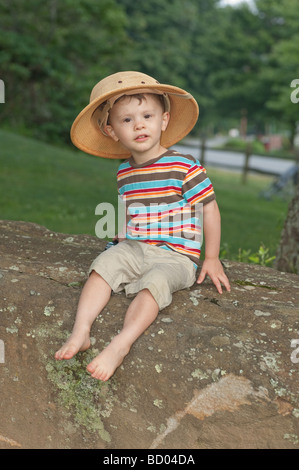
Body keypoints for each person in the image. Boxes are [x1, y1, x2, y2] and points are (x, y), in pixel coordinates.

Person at [55, 71, 231, 381]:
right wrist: (118, 241)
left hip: (177, 255)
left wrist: (212, 258)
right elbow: (127, 211)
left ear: (163, 120)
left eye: (147, 115)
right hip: (136, 247)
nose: (139, 124)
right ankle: (81, 331)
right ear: (111, 131)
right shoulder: (124, 172)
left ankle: (120, 345)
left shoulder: (183, 164)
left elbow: (209, 208)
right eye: (127, 120)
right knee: (103, 266)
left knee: (156, 283)